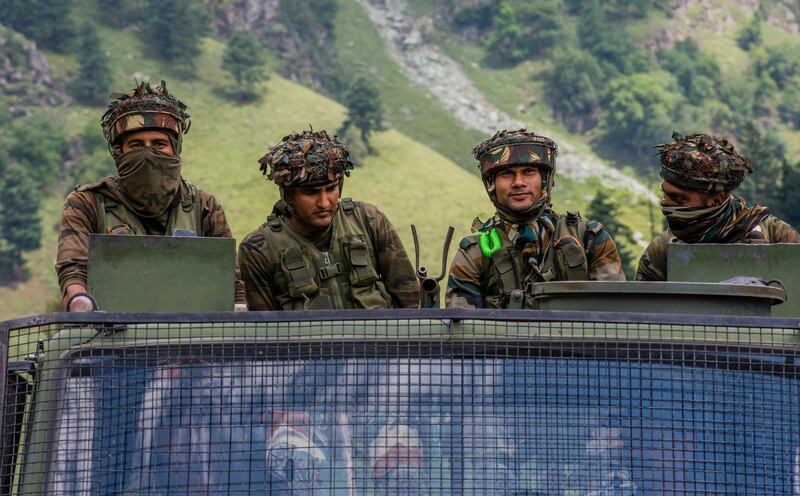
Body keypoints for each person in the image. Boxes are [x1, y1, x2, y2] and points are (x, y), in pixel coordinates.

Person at [55, 80, 246, 312]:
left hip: (192, 337)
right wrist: (79, 302)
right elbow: (73, 271)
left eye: (159, 144)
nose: (148, 152)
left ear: (174, 149)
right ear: (119, 152)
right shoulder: (87, 203)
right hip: (110, 335)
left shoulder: (203, 206)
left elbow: (231, 282)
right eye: (136, 145)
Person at [238, 129, 418, 310]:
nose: (324, 203)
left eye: (331, 189)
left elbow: (410, 303)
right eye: (311, 192)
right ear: (289, 195)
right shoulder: (259, 248)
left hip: (377, 338)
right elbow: (262, 330)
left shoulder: (368, 220)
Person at [446, 129, 625, 309]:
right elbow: (463, 327)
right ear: (492, 184)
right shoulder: (475, 253)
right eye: (507, 174)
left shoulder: (589, 238)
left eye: (529, 171)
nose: (518, 182)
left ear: (546, 179)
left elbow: (614, 313)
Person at [636, 132, 800, 281]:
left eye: (679, 198)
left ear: (716, 200)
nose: (666, 203)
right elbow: (644, 310)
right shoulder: (663, 250)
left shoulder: (775, 235)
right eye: (665, 194)